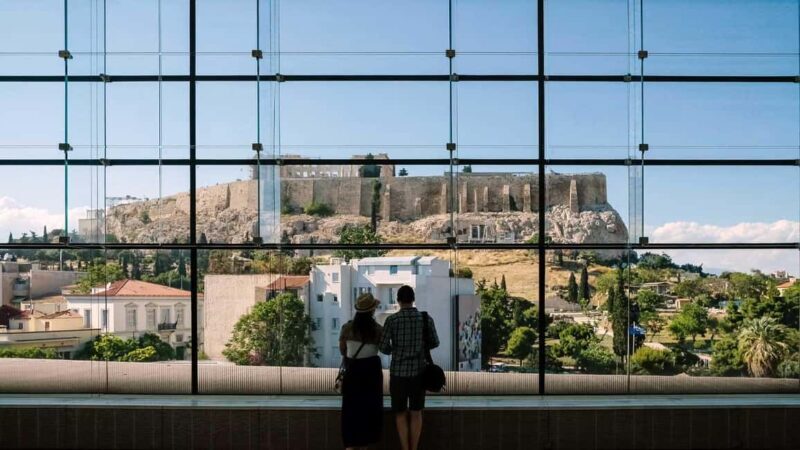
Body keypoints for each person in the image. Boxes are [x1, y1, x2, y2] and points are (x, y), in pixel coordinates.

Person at [379, 285, 439, 450]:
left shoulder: (391, 320)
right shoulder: (425, 319)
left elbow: (383, 347)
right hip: (419, 373)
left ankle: (405, 448)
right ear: (413, 299)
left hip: (398, 373)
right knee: (416, 412)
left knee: (399, 413)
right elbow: (435, 342)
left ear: (398, 300)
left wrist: (395, 350)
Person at [339, 293, 384, 450]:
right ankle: (365, 443)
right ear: (372, 311)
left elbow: (342, 350)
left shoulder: (347, 328)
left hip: (353, 371)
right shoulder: (378, 330)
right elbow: (384, 349)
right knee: (368, 411)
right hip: (371, 373)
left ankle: (350, 445)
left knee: (351, 411)